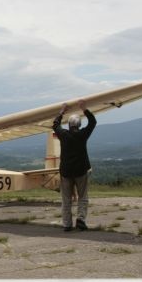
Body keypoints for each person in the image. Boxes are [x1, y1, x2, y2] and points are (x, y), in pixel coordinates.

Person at [52, 99, 96, 232]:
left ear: (69, 125)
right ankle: (81, 220)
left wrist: (62, 111)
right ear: (79, 124)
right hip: (81, 171)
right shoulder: (83, 134)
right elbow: (93, 122)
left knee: (66, 199)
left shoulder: (63, 134)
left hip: (66, 171)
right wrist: (84, 108)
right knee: (83, 197)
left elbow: (55, 124)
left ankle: (67, 224)